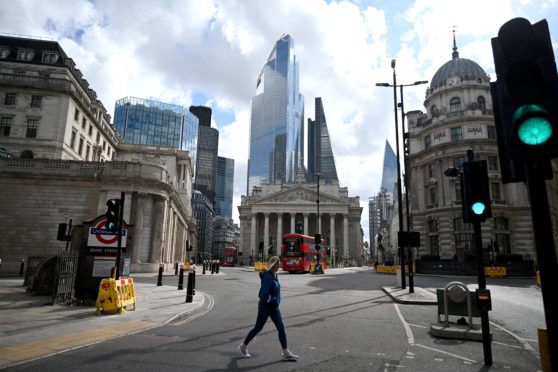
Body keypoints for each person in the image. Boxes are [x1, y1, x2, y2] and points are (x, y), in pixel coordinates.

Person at [239, 256, 299, 361]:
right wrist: (273, 300)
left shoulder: (274, 275)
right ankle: (243, 346)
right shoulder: (268, 277)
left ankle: (285, 352)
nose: (279, 265)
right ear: (273, 265)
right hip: (265, 307)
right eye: (278, 263)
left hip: (274, 307)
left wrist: (275, 302)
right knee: (258, 327)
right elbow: (263, 294)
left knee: (281, 327)